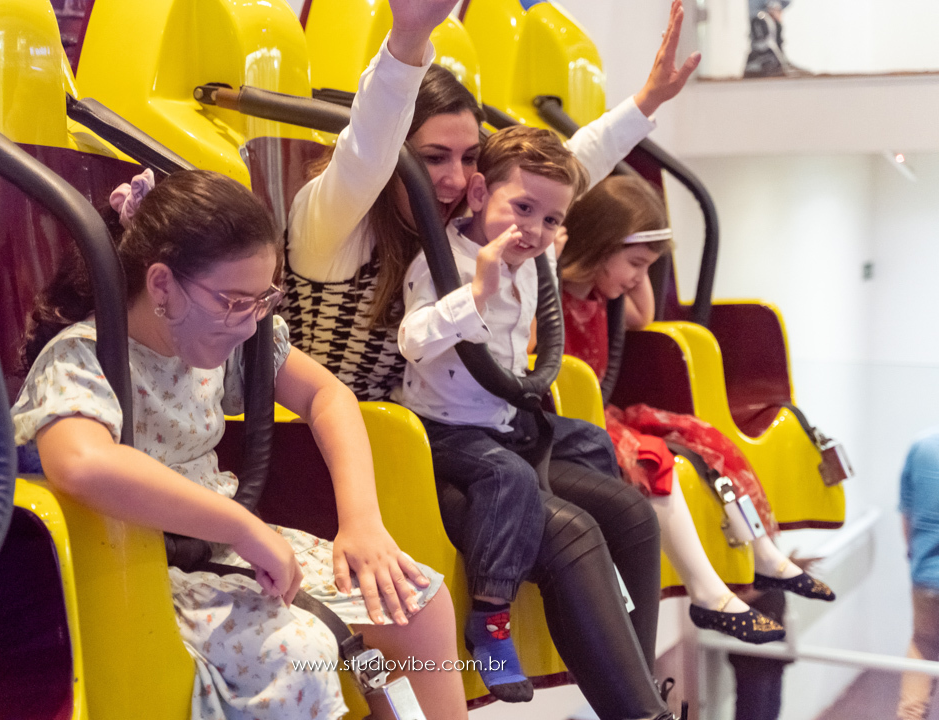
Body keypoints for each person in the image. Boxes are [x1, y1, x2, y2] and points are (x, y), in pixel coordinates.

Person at [282, 3, 698, 718]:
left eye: (468, 158)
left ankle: (637, 703)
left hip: (452, 436)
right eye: (432, 158)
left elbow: (551, 175)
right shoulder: (334, 227)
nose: (454, 178)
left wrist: (645, 104)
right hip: (367, 453)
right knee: (566, 528)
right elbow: (367, 148)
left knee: (630, 514)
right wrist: (408, 40)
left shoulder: (455, 228)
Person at [11, 169, 467, 720]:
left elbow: (327, 395)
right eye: (233, 301)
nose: (250, 325)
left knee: (416, 603)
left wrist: (362, 523)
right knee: (298, 653)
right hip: (134, 571)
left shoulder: (221, 340)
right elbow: (82, 464)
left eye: (262, 299)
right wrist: (242, 528)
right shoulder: (82, 356)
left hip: (222, 552)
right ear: (161, 285)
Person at [557, 174, 835, 642]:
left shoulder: (602, 297)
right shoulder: (553, 299)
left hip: (603, 413)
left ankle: (764, 554)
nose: (637, 278)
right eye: (635, 265)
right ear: (599, 246)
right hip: (576, 423)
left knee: (707, 439)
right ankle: (707, 593)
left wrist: (631, 268)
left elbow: (643, 315)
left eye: (647, 269)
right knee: (653, 460)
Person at [395, 125, 590, 701]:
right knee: (509, 477)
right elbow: (412, 341)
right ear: (478, 194)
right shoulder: (443, 262)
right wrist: (476, 292)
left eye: (551, 220)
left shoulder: (531, 263)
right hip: (442, 426)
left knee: (591, 442)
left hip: (501, 417)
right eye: (523, 208)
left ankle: (577, 558)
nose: (535, 229)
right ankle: (490, 617)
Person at [898, 430, 939, 720]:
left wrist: (917, 558)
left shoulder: (922, 449)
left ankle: (910, 714)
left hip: (925, 576)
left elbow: (907, 516)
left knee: (924, 643)